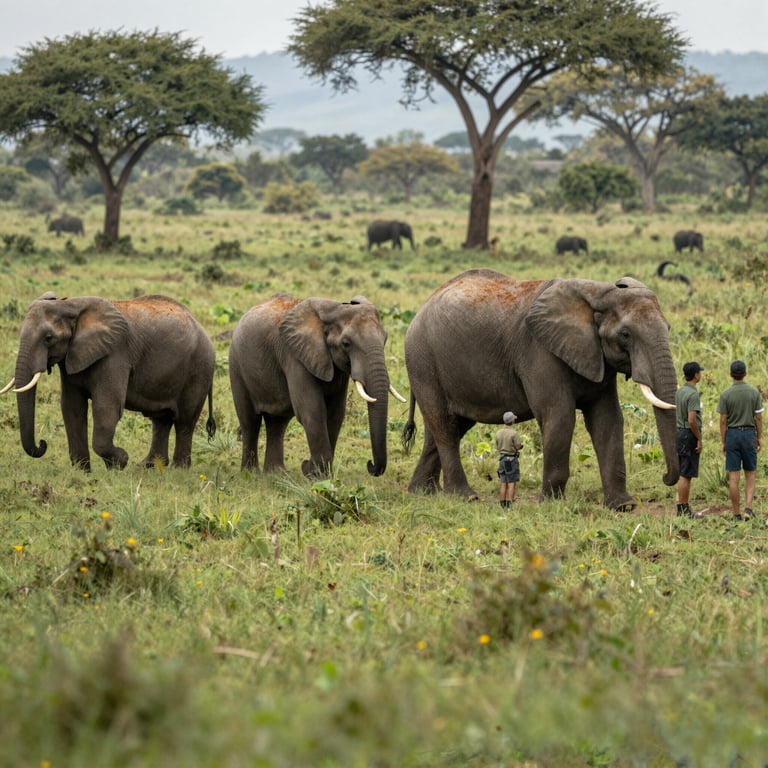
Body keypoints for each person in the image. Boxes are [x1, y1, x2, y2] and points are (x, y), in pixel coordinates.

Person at [717, 360, 764, 520]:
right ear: (745, 374)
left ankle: (736, 513)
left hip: (732, 434)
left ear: (731, 374)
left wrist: (724, 441)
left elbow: (723, 420)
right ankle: (748, 509)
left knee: (734, 477)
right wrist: (759, 437)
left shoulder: (725, 394)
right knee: (750, 474)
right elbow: (758, 417)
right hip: (749, 434)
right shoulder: (754, 392)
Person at [675, 361, 704, 518]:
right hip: (689, 434)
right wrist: (699, 438)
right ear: (696, 375)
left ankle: (682, 507)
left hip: (680, 432)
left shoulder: (680, 391)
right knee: (686, 474)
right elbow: (692, 420)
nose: (701, 374)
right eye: (699, 372)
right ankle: (684, 508)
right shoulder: (693, 394)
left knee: (683, 472)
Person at [495, 411, 523, 508]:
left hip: (502, 460)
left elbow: (497, 447)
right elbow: (518, 446)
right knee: (511, 483)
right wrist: (520, 447)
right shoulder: (514, 433)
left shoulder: (498, 433)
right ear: (512, 421)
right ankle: (510, 505)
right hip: (510, 460)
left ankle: (503, 504)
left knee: (503, 483)